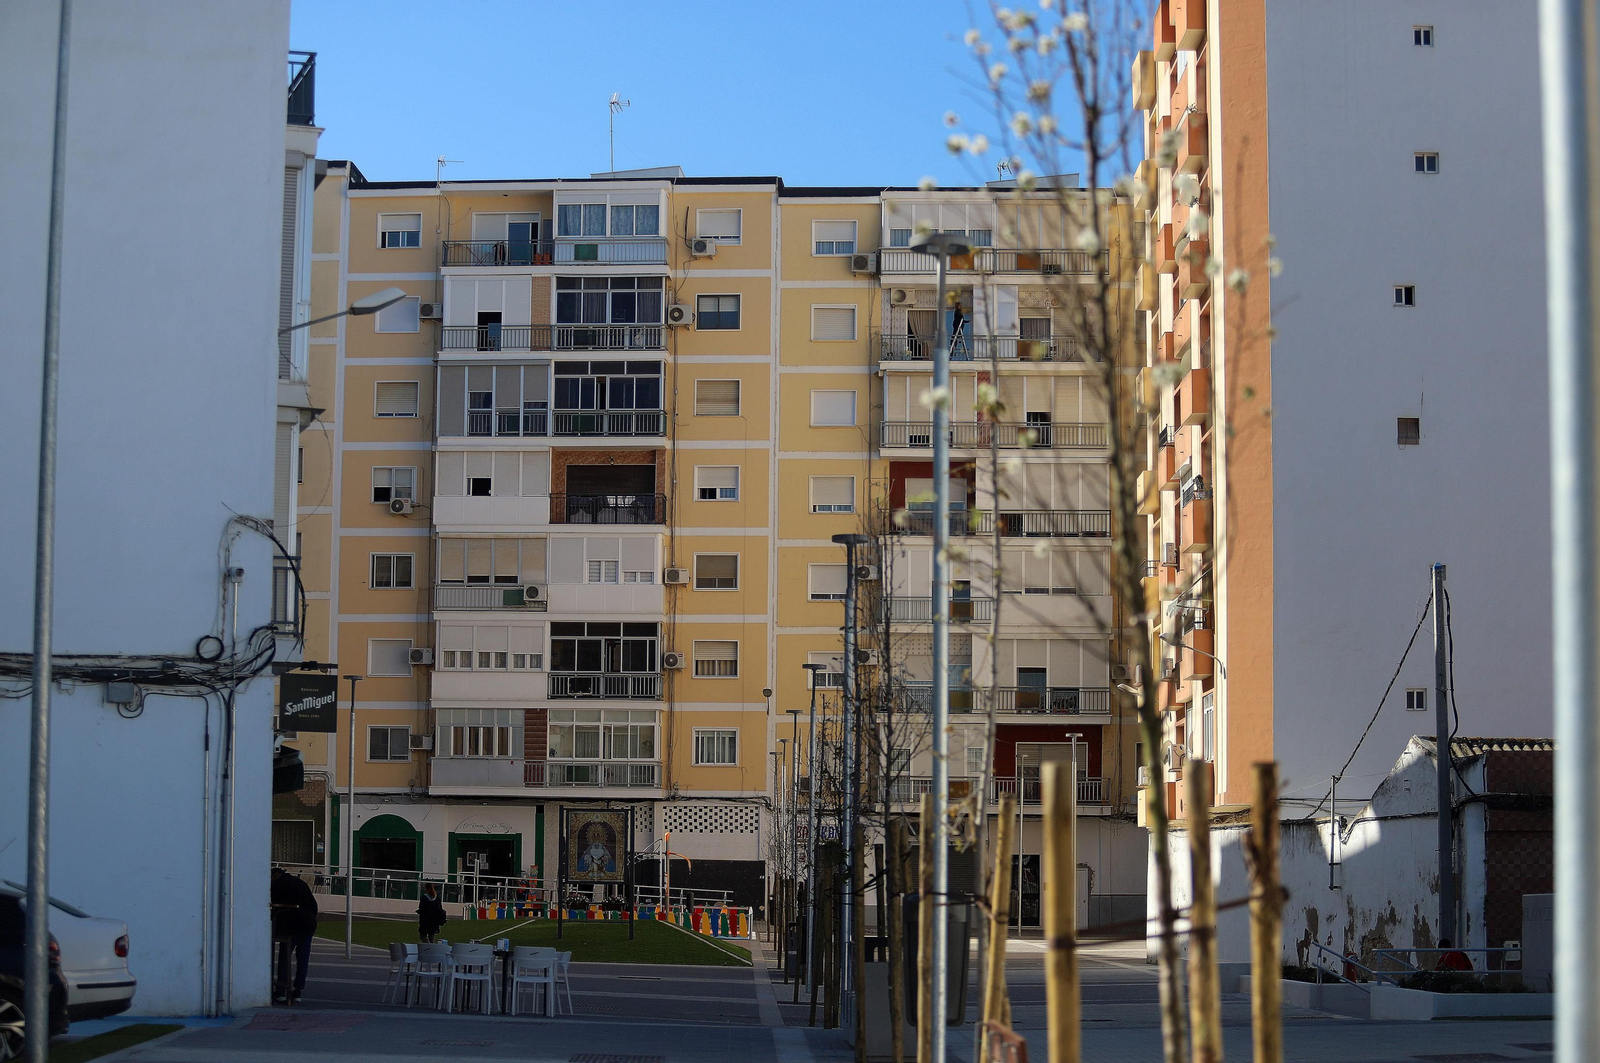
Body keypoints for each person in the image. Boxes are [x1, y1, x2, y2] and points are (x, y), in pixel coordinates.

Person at [271, 867, 318, 1004]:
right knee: (303, 959)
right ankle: (297, 992)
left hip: (290, 926)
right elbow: (313, 904)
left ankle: (281, 991)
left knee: (285, 958)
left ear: (275, 875)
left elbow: (274, 905)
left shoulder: (278, 885)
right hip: (308, 924)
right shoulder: (300, 883)